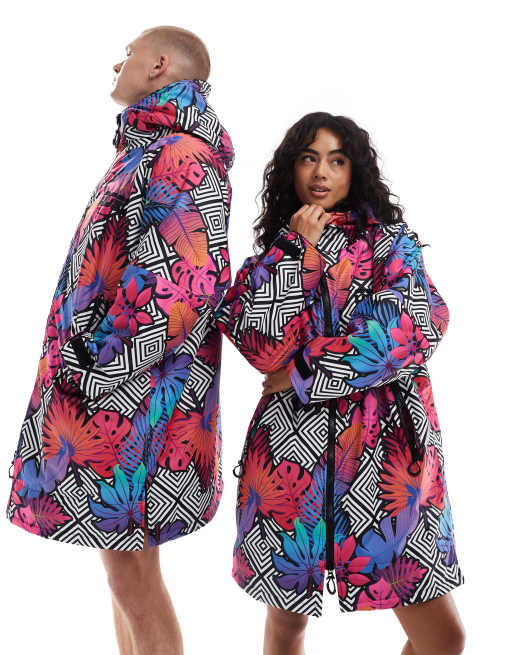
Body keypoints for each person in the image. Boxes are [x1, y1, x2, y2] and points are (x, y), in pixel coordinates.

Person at [6, 26, 233, 655]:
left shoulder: (179, 155)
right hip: (122, 394)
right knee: (125, 573)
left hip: (134, 401)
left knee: (130, 576)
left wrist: (97, 368)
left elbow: (182, 284)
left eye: (128, 54)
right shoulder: (149, 149)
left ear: (159, 64)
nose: (117, 64)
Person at [215, 113, 465, 655]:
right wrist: (294, 254)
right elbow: (260, 349)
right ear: (291, 169)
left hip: (388, 462)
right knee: (287, 628)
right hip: (288, 464)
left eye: (336, 159)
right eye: (309, 158)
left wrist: (304, 373)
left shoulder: (392, 247)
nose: (321, 173)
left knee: (444, 638)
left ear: (356, 170)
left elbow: (411, 328)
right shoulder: (268, 259)